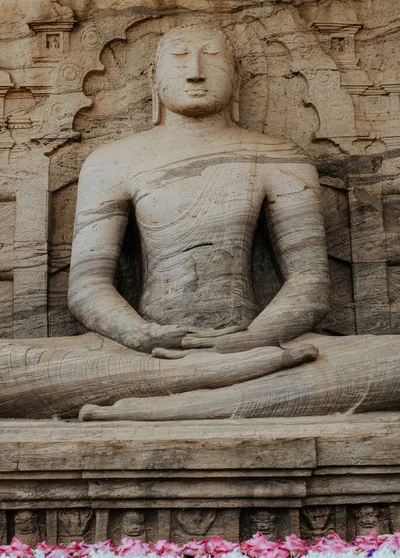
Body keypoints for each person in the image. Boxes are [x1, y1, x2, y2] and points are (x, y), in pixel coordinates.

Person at [1, 25, 399, 420]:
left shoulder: (278, 156)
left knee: (391, 361)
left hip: (254, 342)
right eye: (178, 58)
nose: (195, 70)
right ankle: (220, 384)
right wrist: (141, 335)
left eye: (212, 57)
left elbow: (309, 284)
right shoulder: (112, 161)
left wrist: (251, 340)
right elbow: (88, 288)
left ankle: (179, 399)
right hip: (144, 353)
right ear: (154, 79)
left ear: (237, 77)